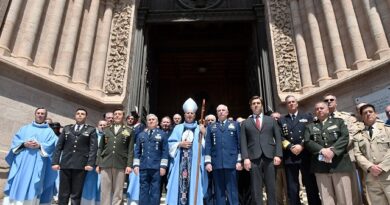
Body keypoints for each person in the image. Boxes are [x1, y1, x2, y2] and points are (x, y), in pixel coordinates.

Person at [3, 107, 58, 205]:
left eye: (42, 114)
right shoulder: (25, 128)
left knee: (33, 186)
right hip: (22, 163)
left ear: (45, 116)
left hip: (37, 165)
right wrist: (24, 144)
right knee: (18, 184)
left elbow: (52, 147)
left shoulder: (50, 132)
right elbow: (15, 142)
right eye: (38, 113)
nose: (40, 115)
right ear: (35, 114)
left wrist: (40, 146)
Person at [304, 102, 353, 205]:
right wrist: (322, 150)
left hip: (339, 165)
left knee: (344, 197)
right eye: (317, 109)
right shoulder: (310, 126)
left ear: (327, 110)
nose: (319, 110)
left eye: (322, 108)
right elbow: (308, 141)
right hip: (320, 167)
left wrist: (333, 151)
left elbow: (345, 137)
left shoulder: (339, 122)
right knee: (326, 198)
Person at [240, 96, 282, 205]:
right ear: (250, 106)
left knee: (271, 186)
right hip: (253, 158)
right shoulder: (246, 123)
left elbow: (278, 138)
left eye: (258, 103)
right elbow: (243, 142)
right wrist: (245, 158)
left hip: (270, 156)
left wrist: (278, 155)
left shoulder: (271, 120)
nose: (256, 105)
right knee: (255, 187)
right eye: (253, 103)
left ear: (261, 105)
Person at [278, 96, 321, 205]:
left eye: (293, 102)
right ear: (286, 105)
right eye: (289, 102)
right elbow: (280, 137)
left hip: (305, 155)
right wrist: (290, 147)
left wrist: (302, 145)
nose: (291, 104)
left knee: (310, 184)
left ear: (297, 104)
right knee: (292, 187)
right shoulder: (282, 120)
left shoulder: (307, 117)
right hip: (290, 156)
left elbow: (312, 133)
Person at [51, 108, 98, 205]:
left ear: (86, 117)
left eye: (82, 114)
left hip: (81, 165)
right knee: (63, 193)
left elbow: (93, 148)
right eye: (78, 113)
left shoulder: (91, 130)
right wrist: (55, 162)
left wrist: (90, 163)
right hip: (65, 164)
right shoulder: (67, 128)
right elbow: (59, 147)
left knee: (76, 194)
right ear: (75, 116)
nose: (80, 115)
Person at [324, 94, 363, 205]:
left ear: (336, 103)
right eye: (326, 100)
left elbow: (352, 133)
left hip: (347, 156)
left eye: (332, 100)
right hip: (329, 161)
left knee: (353, 189)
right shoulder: (319, 119)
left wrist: (335, 149)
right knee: (337, 191)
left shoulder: (346, 117)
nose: (329, 101)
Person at [166, 98, 206, 205]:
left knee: (193, 188)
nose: (189, 115)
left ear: (195, 115)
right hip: (179, 165)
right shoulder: (178, 128)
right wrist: (180, 144)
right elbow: (170, 145)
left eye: (192, 113)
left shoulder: (199, 128)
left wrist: (204, 133)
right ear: (184, 115)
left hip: (194, 166)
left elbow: (206, 146)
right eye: (187, 113)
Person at [205, 104, 242, 205]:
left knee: (232, 191)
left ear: (227, 112)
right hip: (216, 164)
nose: (221, 112)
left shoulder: (235, 125)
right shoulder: (211, 127)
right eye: (219, 110)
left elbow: (239, 144)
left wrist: (239, 160)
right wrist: (208, 162)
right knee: (219, 192)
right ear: (217, 113)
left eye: (223, 110)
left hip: (232, 163)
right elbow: (208, 146)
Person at [97, 108, 135, 205]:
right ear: (113, 117)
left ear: (123, 117)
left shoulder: (129, 130)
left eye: (119, 114)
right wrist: (98, 163)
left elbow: (130, 150)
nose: (117, 116)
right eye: (115, 114)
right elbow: (101, 148)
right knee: (105, 190)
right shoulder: (106, 130)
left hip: (120, 163)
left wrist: (129, 165)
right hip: (106, 163)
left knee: (118, 191)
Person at [353, 104, 390, 204]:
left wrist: (382, 167)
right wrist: (370, 167)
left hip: (388, 175)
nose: (368, 114)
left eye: (370, 111)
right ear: (361, 117)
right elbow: (357, 154)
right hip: (372, 179)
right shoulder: (358, 135)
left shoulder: (387, 129)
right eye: (365, 113)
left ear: (376, 113)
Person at [133, 114, 169, 205]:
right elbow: (137, 151)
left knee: (155, 191)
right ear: (147, 122)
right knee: (143, 189)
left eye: (153, 119)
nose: (151, 121)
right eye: (149, 120)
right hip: (144, 166)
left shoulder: (162, 134)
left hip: (156, 167)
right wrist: (136, 165)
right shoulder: (141, 135)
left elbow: (165, 151)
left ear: (157, 122)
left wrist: (163, 166)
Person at [81, 120, 107, 205]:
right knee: (90, 184)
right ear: (97, 126)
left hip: (104, 165)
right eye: (100, 125)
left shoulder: (109, 136)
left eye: (104, 125)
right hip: (92, 164)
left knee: (102, 185)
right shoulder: (92, 135)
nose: (102, 126)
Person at [271, 112, 288, 205]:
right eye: (273, 118)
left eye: (277, 118)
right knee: (277, 189)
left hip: (286, 162)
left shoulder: (285, 130)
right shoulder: (267, 130)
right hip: (273, 164)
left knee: (288, 188)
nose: (275, 119)